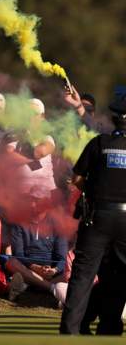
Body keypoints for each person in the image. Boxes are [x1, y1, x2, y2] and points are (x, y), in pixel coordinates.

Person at [59, 93, 126, 335]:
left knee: (83, 276)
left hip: (97, 217)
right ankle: (109, 328)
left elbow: (77, 178)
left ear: (114, 118)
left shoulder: (98, 143)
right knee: (119, 276)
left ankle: (70, 330)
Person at [4, 186, 68, 301]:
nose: (32, 204)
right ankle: (51, 288)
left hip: (50, 271)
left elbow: (62, 258)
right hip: (27, 267)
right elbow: (18, 254)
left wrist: (54, 270)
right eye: (31, 199)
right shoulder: (19, 221)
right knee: (12, 262)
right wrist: (34, 267)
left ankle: (29, 285)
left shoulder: (58, 224)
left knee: (71, 271)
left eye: (37, 200)